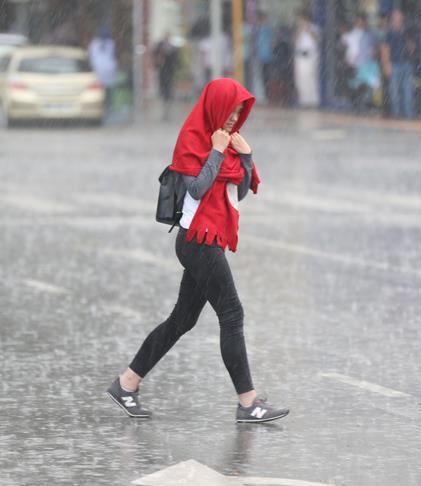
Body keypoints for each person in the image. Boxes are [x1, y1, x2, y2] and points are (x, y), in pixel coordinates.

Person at [106, 78, 289, 424]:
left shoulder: (230, 144)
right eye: (231, 110)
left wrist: (246, 158)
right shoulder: (194, 140)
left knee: (181, 320)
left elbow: (239, 194)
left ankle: (126, 384)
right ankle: (248, 403)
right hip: (197, 241)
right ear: (216, 107)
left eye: (240, 111)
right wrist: (217, 151)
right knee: (232, 314)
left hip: (209, 240)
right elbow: (197, 190)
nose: (235, 118)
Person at [381, 10, 418, 118]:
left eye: (400, 17)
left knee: (407, 90)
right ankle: (396, 114)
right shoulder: (389, 33)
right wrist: (386, 64)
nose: (398, 19)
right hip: (394, 64)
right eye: (396, 17)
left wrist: (410, 46)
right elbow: (385, 49)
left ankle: (408, 114)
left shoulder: (407, 32)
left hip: (406, 64)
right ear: (393, 19)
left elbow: (412, 48)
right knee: (394, 91)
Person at [293, 11, 321, 108]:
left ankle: (313, 101)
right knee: (301, 79)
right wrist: (300, 31)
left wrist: (308, 29)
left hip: (311, 56)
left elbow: (317, 39)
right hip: (301, 56)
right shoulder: (299, 30)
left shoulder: (313, 28)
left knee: (311, 79)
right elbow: (295, 41)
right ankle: (304, 101)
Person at [88, 26, 118, 114]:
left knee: (100, 91)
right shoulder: (111, 43)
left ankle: (102, 108)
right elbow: (114, 56)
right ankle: (108, 108)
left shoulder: (94, 44)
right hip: (108, 69)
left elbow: (90, 57)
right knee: (108, 91)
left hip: (98, 69)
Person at [154, 32, 181, 121]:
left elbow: (176, 60)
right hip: (162, 72)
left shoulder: (173, 48)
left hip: (169, 72)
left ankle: (168, 106)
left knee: (168, 90)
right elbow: (155, 57)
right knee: (163, 89)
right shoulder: (159, 47)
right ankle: (165, 104)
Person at [255, 12, 274, 100]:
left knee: (266, 76)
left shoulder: (266, 30)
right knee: (263, 76)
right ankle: (264, 94)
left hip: (267, 57)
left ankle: (267, 95)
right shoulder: (258, 30)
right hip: (261, 57)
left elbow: (271, 42)